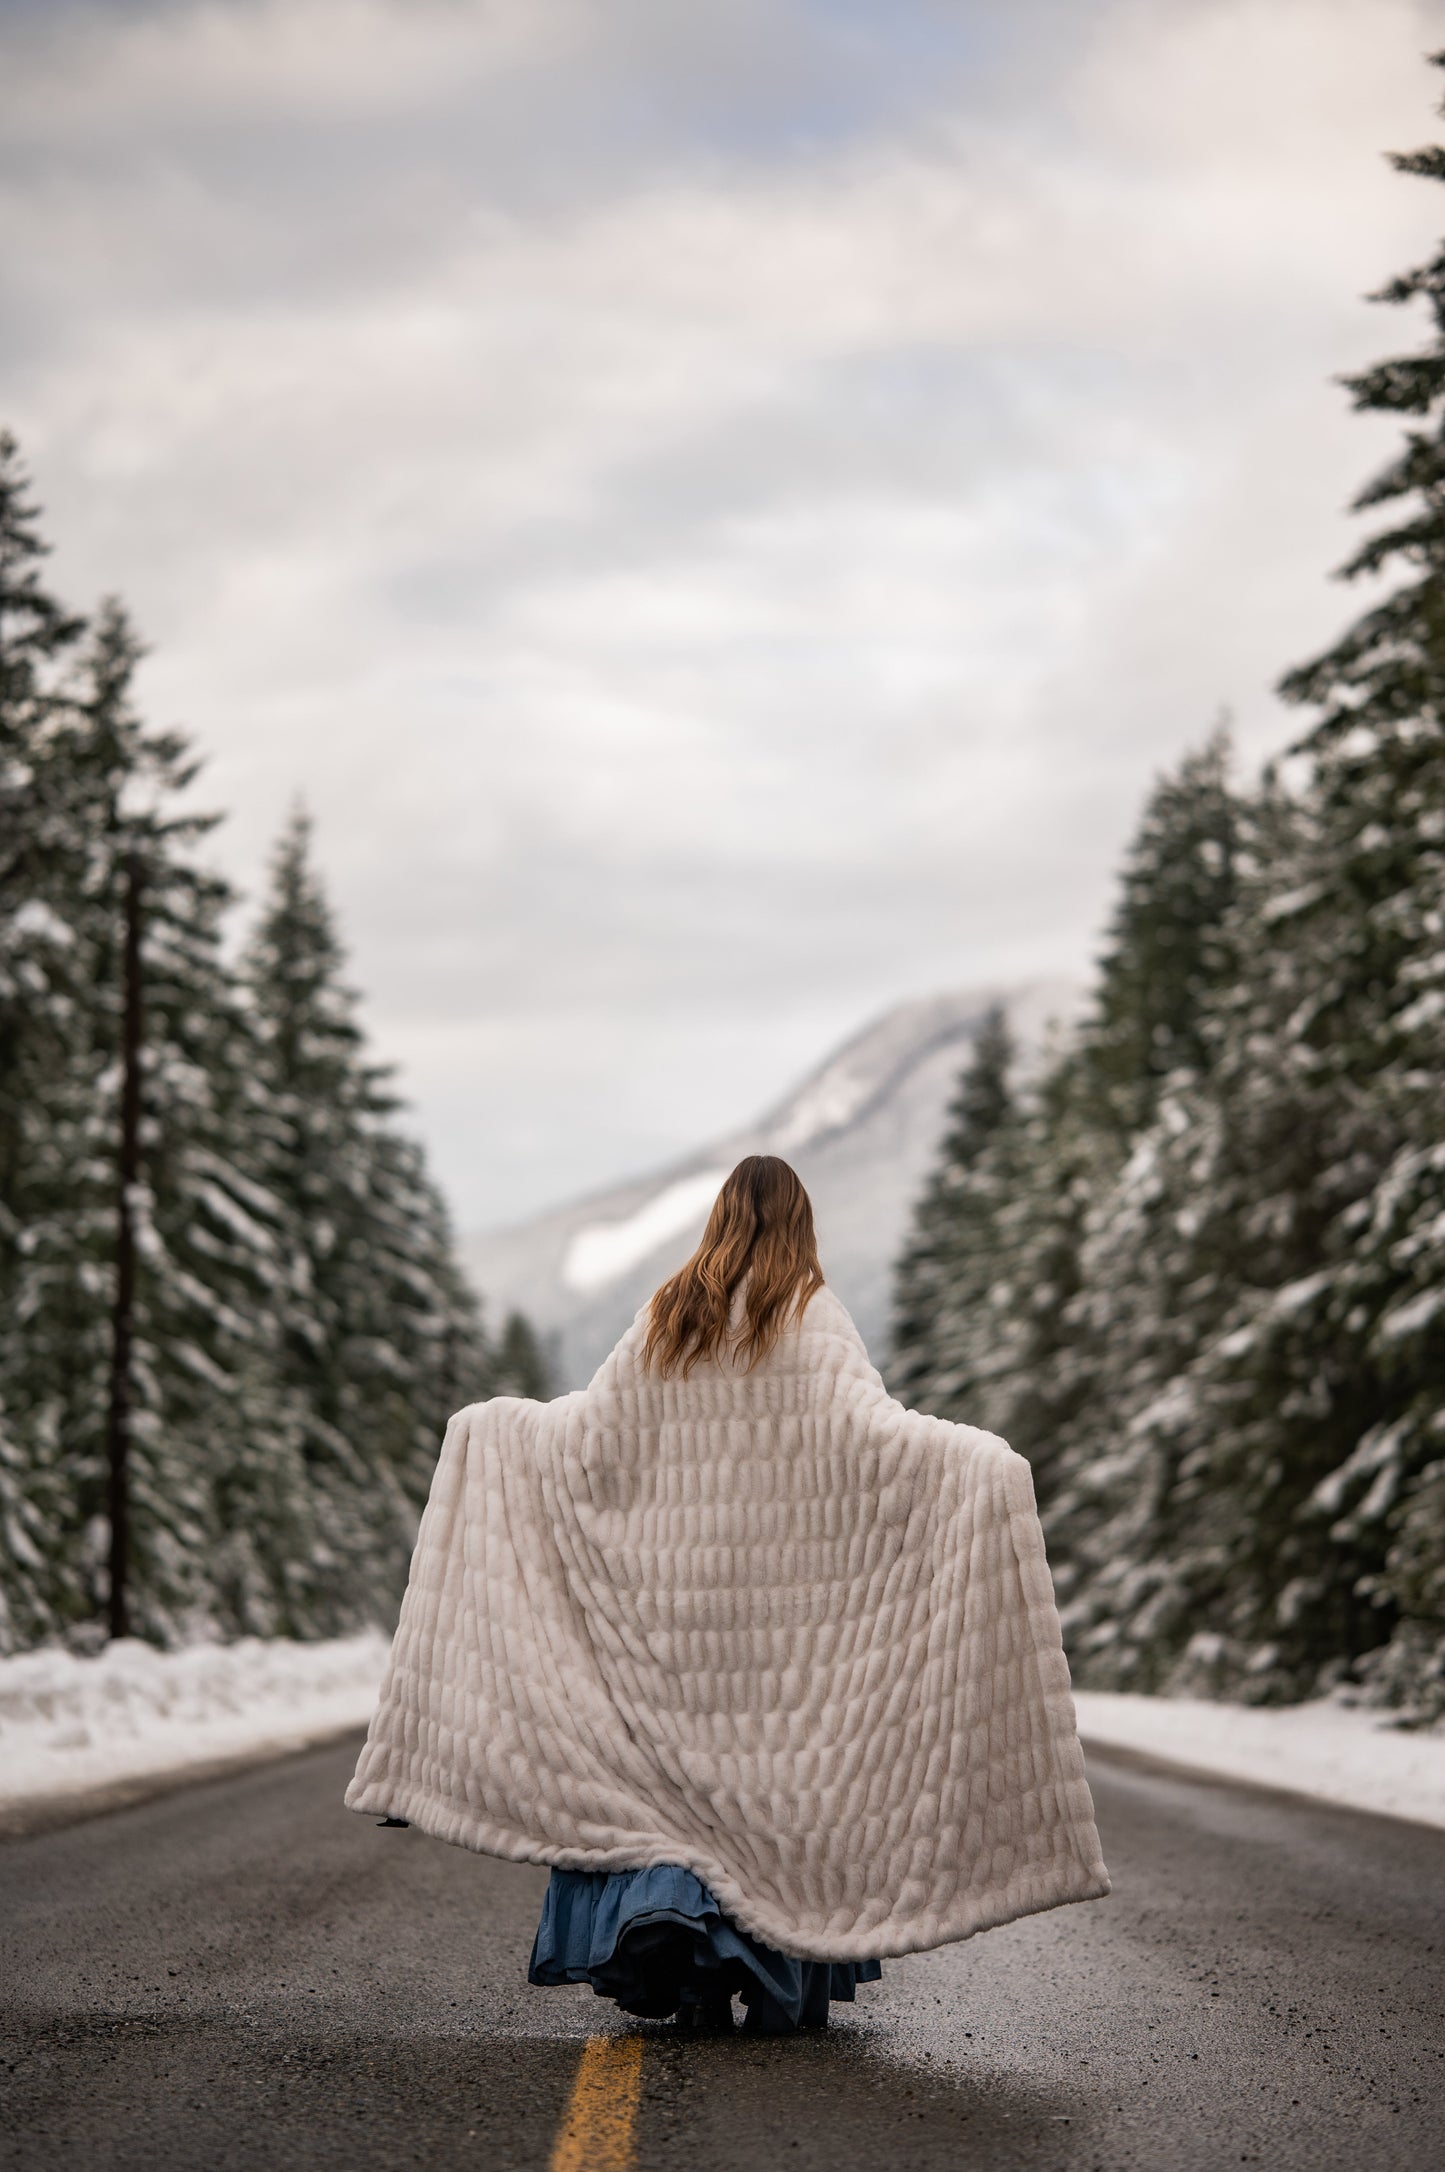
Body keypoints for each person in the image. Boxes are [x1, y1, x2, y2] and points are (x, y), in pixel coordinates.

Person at [347, 1155, 1108, 2037]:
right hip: (774, 1629)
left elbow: (588, 1442)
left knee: (666, 1791)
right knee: (770, 1786)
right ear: (798, 1225)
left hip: (667, 1616)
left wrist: (491, 1430)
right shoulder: (810, 1318)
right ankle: (756, 1963)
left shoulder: (668, 1315)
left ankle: (678, 1947)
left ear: (717, 1220)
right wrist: (983, 1463)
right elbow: (877, 1445)